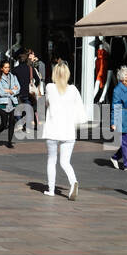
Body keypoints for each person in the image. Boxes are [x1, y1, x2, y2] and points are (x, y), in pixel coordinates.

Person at [43, 61, 85, 200]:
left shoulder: (49, 87)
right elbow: (80, 110)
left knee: (51, 160)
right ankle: (73, 182)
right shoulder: (73, 90)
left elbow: (47, 103)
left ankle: (51, 189)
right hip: (68, 131)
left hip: (53, 130)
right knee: (65, 162)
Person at [0, 60, 19, 148]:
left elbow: (18, 88)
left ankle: (9, 141)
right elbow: (1, 92)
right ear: (2, 68)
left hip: (13, 102)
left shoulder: (13, 77)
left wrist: (10, 91)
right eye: (5, 67)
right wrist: (12, 90)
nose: (7, 69)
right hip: (3, 102)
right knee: (4, 124)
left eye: (8, 67)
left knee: (12, 122)